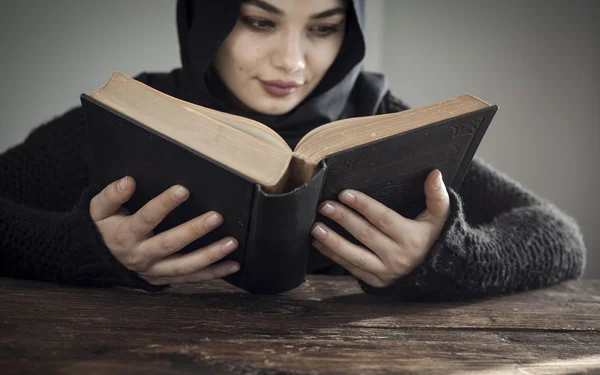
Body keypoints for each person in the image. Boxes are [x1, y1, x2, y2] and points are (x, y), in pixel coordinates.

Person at [0, 0, 586, 301]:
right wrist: (83, 250)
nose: (293, 61)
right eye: (259, 21)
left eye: (324, 28)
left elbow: (560, 236)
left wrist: (449, 258)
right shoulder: (137, 114)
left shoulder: (378, 119)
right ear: (207, 18)